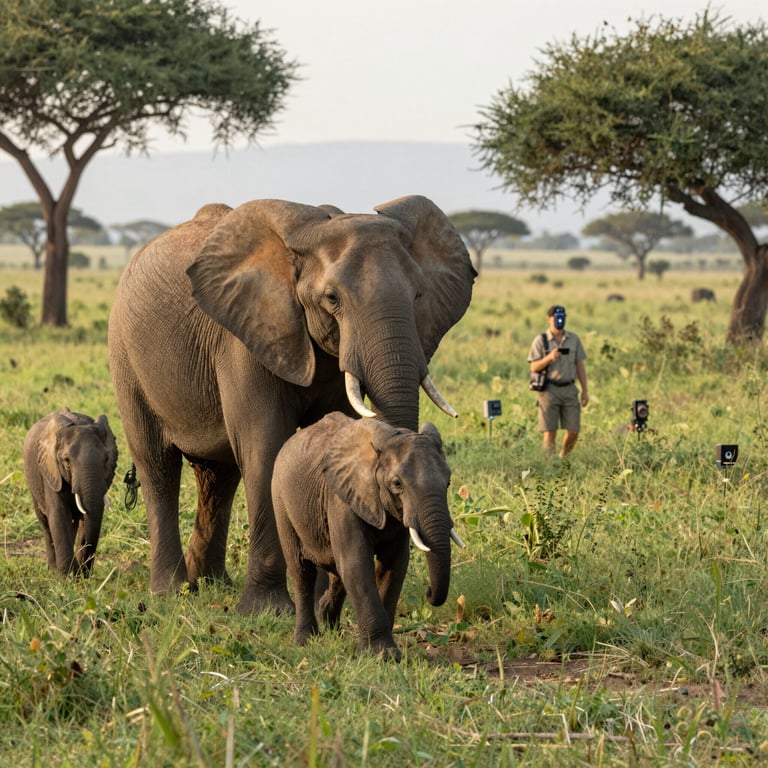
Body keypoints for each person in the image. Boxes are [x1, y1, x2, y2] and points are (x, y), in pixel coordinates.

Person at [528, 305, 589, 458]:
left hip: (569, 388)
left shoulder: (573, 339)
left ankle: (563, 457)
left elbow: (579, 365)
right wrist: (549, 358)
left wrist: (585, 390)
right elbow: (534, 367)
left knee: (574, 430)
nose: (560, 320)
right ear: (549, 319)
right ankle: (550, 466)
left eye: (562, 317)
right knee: (550, 432)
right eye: (556, 317)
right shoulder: (541, 340)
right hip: (549, 390)